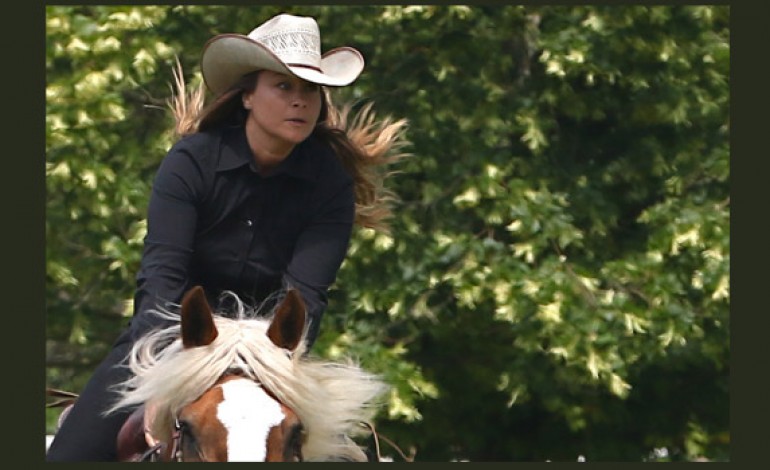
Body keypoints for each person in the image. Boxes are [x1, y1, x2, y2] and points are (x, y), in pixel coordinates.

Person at [47, 12, 407, 461]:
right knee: (68, 457)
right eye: (283, 86)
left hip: (271, 351)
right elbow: (160, 280)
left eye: (310, 90)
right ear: (247, 97)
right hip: (172, 338)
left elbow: (306, 298)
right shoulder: (191, 162)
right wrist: (166, 377)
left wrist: (271, 357)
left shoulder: (331, 184)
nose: (300, 101)